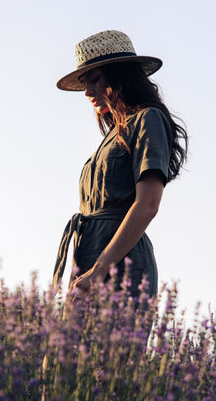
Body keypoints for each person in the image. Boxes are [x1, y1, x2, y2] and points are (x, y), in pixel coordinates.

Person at [52, 30, 188, 304]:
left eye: (95, 80)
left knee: (113, 347)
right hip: (87, 260)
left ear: (120, 76)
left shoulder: (147, 119)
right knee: (67, 347)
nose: (88, 92)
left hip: (119, 267)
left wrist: (100, 269)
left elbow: (148, 205)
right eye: (84, 83)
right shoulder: (112, 136)